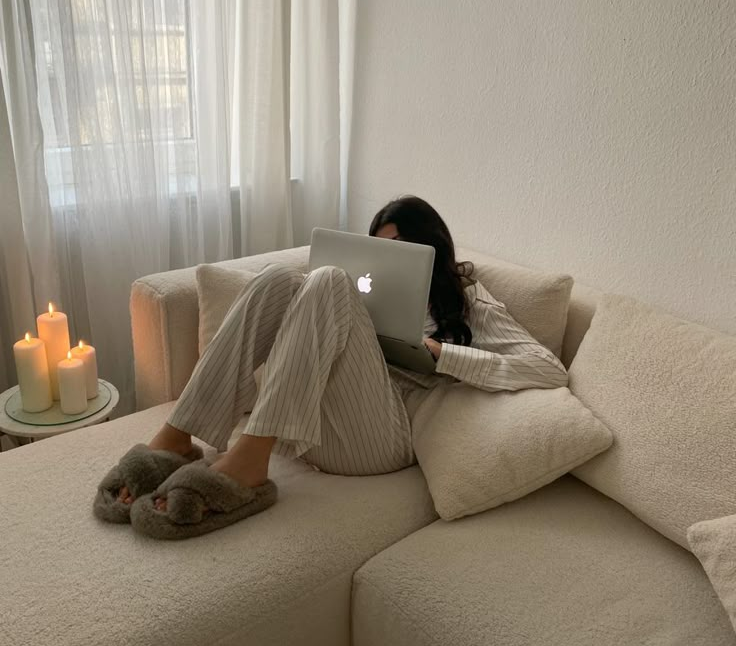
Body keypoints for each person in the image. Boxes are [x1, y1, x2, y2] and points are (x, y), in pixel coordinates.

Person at [94, 195, 568, 539]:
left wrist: (443, 353)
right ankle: (177, 436)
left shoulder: (469, 301)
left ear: (430, 250)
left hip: (382, 440)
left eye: (400, 247)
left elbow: (548, 368)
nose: (387, 260)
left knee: (330, 283)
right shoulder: (375, 289)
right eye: (380, 249)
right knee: (281, 278)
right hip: (318, 418)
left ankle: (250, 462)